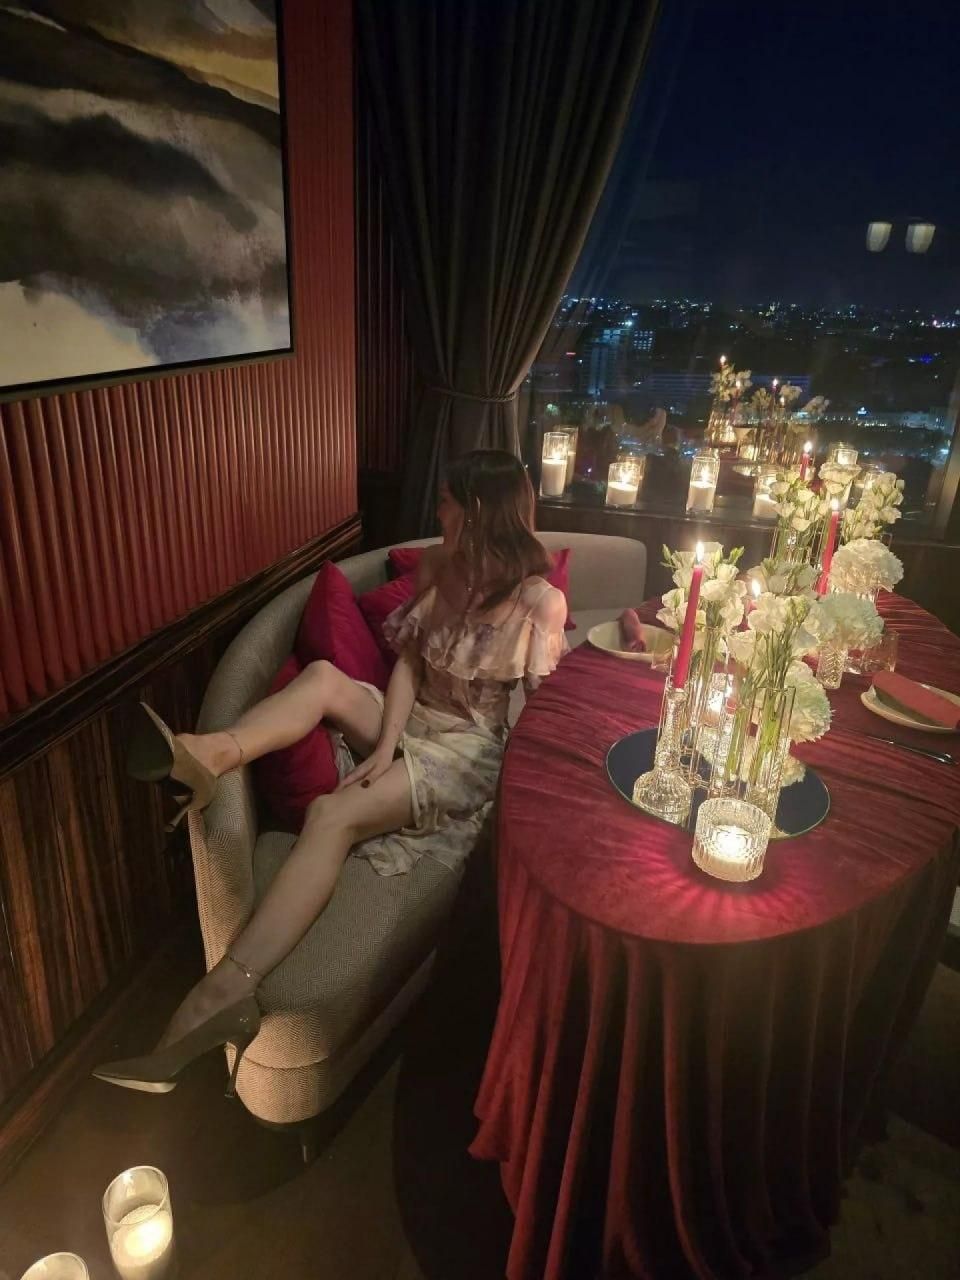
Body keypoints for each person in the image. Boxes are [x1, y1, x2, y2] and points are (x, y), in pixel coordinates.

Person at [94, 449, 568, 1094]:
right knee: (322, 677)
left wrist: (538, 797)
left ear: (478, 510)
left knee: (331, 812)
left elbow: (541, 708)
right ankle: (205, 756)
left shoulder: (540, 603)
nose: (439, 511)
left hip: (467, 752)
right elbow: (408, 665)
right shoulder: (438, 565)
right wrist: (385, 743)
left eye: (448, 501)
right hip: (412, 721)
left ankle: (223, 993)